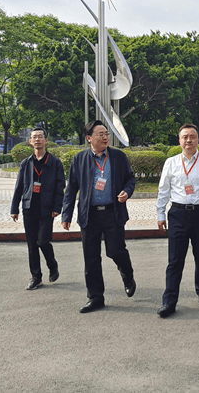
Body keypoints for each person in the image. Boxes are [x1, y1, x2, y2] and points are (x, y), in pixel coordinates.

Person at [61, 120, 137, 314]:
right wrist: (66, 214)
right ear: (89, 139)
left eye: (106, 134)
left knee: (116, 251)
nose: (105, 137)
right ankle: (95, 297)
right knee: (91, 258)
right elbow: (71, 189)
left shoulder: (118, 157)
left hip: (113, 212)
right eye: (100, 134)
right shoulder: (79, 159)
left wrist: (127, 192)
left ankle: (127, 275)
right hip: (90, 215)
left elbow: (130, 178)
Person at [155, 124, 199, 318]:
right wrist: (160, 214)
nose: (188, 140)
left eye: (192, 136)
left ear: (198, 139)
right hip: (178, 213)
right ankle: (169, 301)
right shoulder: (171, 162)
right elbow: (163, 190)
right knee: (175, 260)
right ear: (179, 140)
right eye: (184, 137)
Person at [11, 128, 65, 290]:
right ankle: (36, 276)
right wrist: (14, 208)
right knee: (31, 244)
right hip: (29, 208)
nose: (37, 140)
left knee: (42, 241)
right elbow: (19, 186)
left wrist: (57, 207)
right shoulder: (26, 163)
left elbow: (60, 187)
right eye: (34, 137)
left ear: (46, 140)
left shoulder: (54, 163)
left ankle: (52, 264)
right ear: (30, 141)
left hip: (46, 209)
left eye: (40, 137)